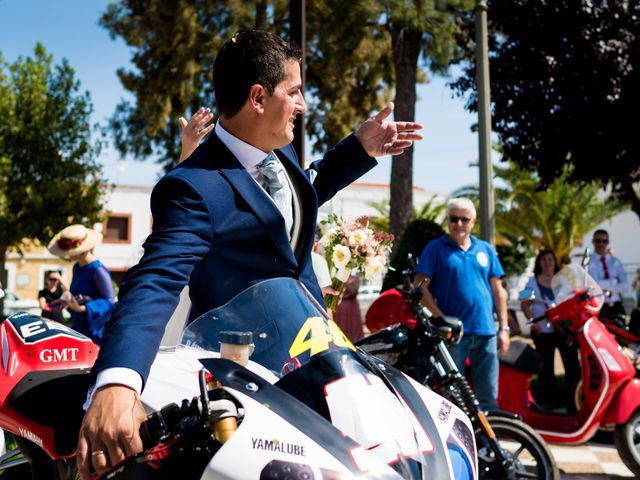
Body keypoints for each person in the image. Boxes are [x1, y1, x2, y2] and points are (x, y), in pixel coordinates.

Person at [77, 28, 423, 479]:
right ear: (258, 98)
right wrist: (118, 382)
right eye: (295, 92)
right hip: (248, 396)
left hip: (319, 366)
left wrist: (360, 148)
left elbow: (300, 199)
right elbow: (155, 281)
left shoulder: (281, 156)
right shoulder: (193, 186)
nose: (303, 105)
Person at [413, 197, 509, 411]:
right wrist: (441, 318)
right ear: (447, 220)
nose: (458, 224)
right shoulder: (435, 248)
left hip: (487, 332)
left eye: (464, 220)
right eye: (453, 219)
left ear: (472, 222)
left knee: (487, 399)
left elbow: (498, 291)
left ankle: (486, 443)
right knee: (452, 400)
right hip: (454, 336)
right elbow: (419, 287)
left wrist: (504, 328)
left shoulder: (485, 249)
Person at [520, 249, 581, 411]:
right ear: (540, 262)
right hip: (542, 332)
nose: (547, 262)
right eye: (544, 259)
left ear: (555, 262)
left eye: (550, 259)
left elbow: (572, 301)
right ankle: (548, 401)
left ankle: (572, 399)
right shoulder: (531, 282)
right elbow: (523, 302)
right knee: (546, 367)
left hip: (562, 330)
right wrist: (532, 323)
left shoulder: (563, 281)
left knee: (572, 365)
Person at [47, 224, 116, 344]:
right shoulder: (77, 267)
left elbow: (109, 301)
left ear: (82, 251)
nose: (67, 254)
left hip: (95, 329)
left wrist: (82, 308)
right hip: (78, 326)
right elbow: (77, 293)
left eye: (70, 251)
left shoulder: (97, 269)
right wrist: (67, 300)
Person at [588, 229, 629, 317]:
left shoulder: (615, 262)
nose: (601, 244)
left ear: (608, 242)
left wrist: (603, 285)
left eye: (604, 241)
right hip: (599, 307)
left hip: (617, 305)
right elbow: (594, 286)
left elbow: (625, 286)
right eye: (598, 241)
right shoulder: (589, 262)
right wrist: (614, 281)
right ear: (593, 242)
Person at [333, 274, 364, 341]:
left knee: (353, 329)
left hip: (352, 307)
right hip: (339, 307)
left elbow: (354, 291)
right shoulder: (336, 275)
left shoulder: (355, 277)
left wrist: (345, 281)